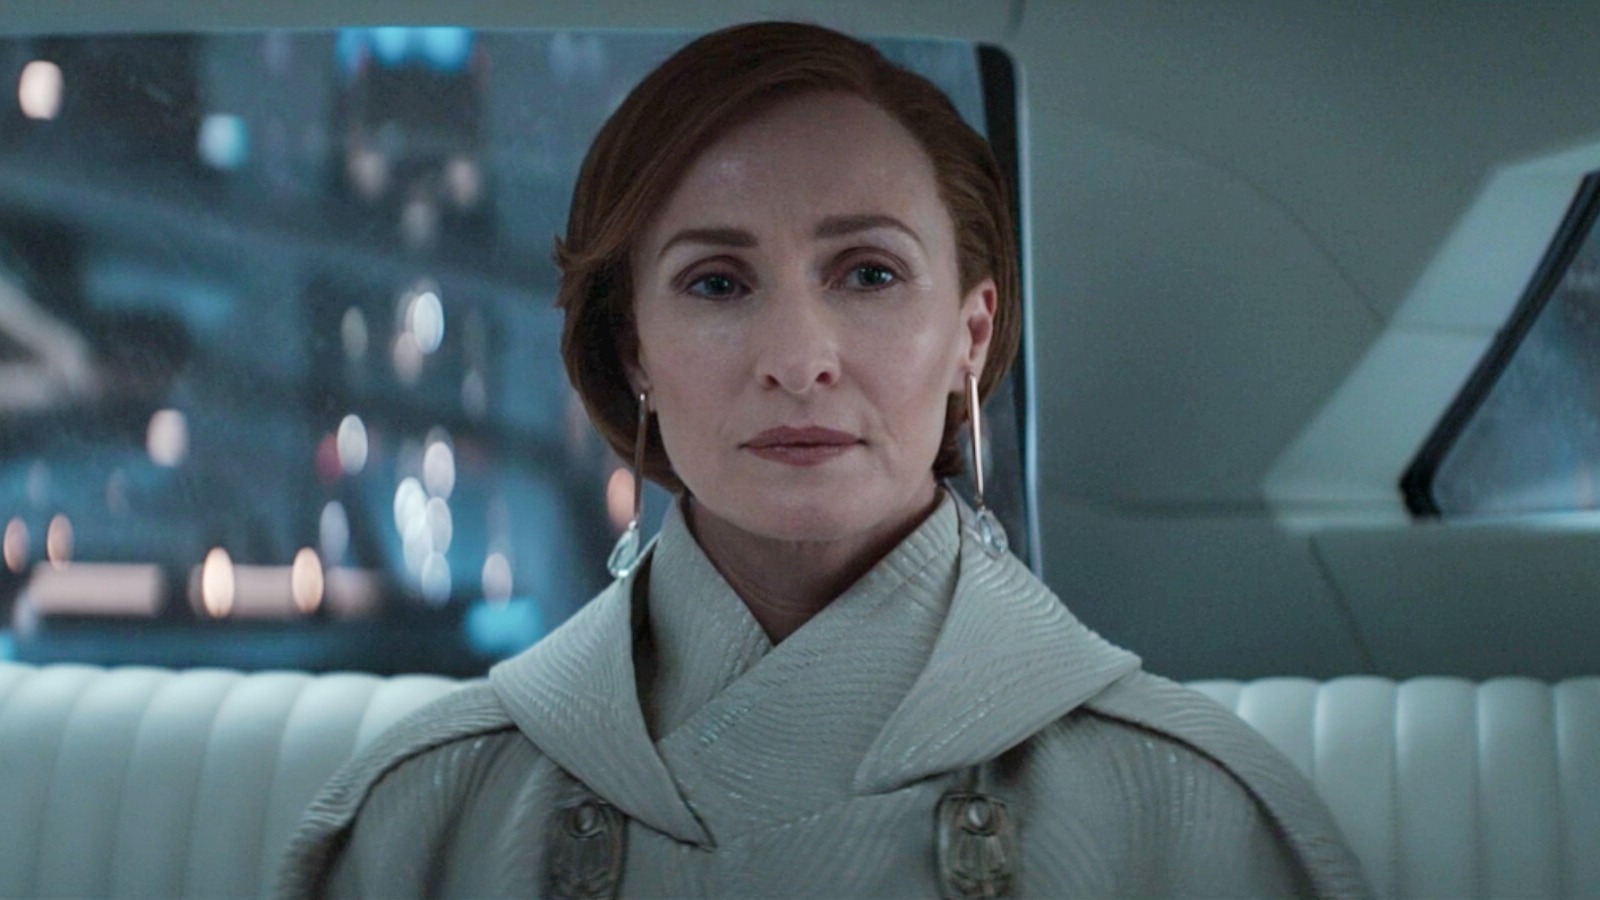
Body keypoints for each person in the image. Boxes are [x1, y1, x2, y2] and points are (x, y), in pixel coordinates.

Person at [278, 21, 1370, 898]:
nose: (798, 361)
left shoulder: (1189, 817)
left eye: (869, 274)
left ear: (972, 334)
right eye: (717, 283)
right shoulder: (426, 819)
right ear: (633, 349)